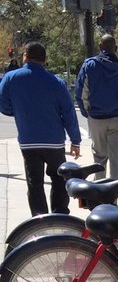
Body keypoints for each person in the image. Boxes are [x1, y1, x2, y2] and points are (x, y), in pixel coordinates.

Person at [0, 42, 81, 215]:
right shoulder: (57, 82)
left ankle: (40, 221)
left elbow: (4, 105)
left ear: (25, 57)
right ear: (44, 60)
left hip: (29, 141)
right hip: (54, 142)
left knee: (34, 183)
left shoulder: (11, 78)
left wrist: (19, 111)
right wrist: (75, 141)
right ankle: (60, 216)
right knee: (59, 181)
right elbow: (69, 114)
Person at [75, 34, 118, 179]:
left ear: (100, 47)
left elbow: (81, 93)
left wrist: (88, 113)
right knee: (117, 161)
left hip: (97, 119)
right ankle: (113, 198)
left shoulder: (89, 65)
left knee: (99, 158)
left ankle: (99, 194)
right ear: (116, 48)